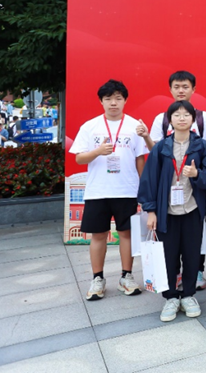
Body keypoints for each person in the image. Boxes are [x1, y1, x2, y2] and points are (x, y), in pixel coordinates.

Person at [138, 101, 206, 322]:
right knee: (168, 255)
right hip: (167, 212)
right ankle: (171, 297)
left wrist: (196, 174)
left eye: (186, 115)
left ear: (193, 120)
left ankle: (189, 295)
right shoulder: (161, 148)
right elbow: (149, 180)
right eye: (177, 115)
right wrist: (151, 211)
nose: (182, 118)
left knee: (192, 255)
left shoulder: (202, 146)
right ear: (170, 120)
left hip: (192, 209)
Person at [69, 80, 149, 301]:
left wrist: (144, 188)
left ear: (125, 100)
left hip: (127, 190)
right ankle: (97, 279)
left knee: (126, 234)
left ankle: (126, 276)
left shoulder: (134, 126)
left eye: (118, 98)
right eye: (108, 99)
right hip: (98, 190)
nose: (113, 103)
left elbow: (140, 158)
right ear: (101, 101)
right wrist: (97, 151)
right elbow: (79, 158)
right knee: (98, 235)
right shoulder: (90, 126)